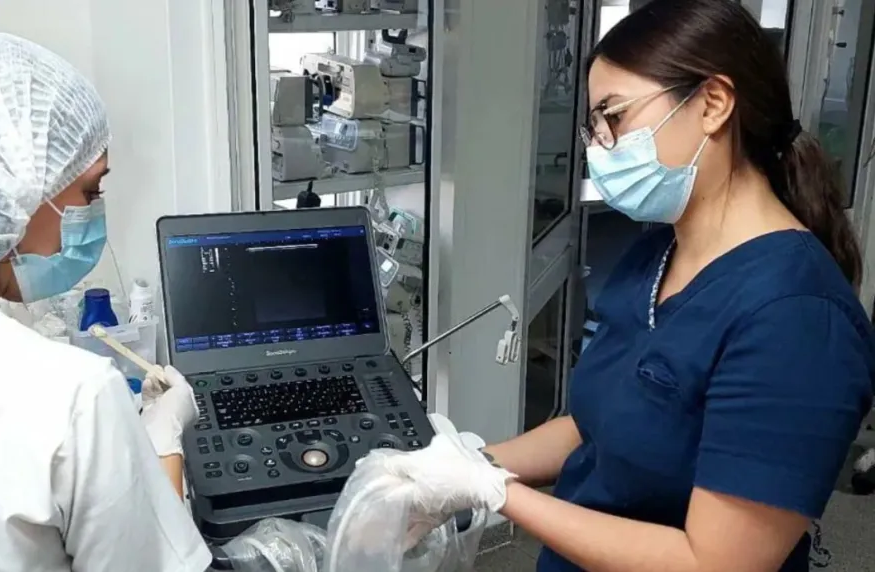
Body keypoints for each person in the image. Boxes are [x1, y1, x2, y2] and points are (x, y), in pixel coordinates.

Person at [372, 2, 875, 571]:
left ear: (713, 104)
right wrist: (465, 465)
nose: (600, 146)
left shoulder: (797, 316)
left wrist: (493, 493)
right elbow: (594, 426)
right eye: (594, 127)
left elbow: (715, 562)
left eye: (614, 115)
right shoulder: (654, 258)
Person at [0, 32, 211, 571]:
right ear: (3, 190)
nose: (94, 214)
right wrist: (163, 441)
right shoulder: (71, 397)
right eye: (90, 192)